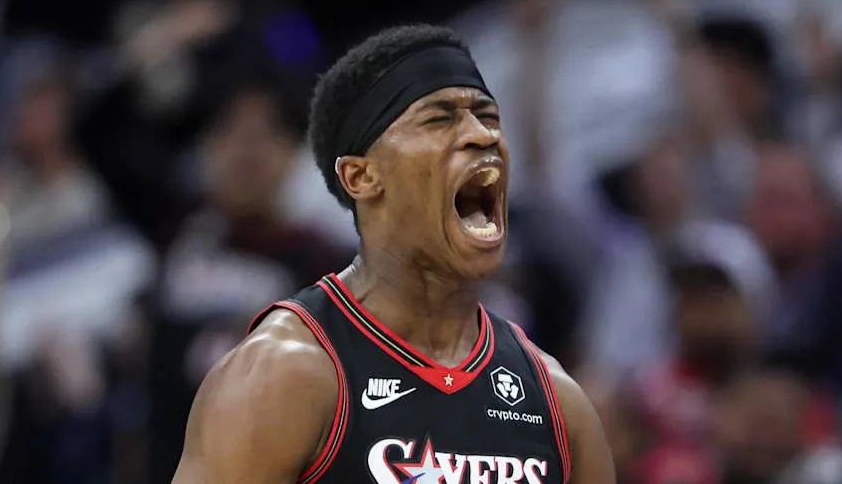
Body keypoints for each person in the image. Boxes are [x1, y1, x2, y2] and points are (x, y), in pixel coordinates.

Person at [172, 24, 614, 484]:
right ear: (361, 177)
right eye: (439, 119)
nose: (482, 136)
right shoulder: (284, 373)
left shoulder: (558, 403)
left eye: (488, 117)